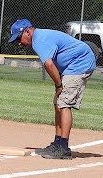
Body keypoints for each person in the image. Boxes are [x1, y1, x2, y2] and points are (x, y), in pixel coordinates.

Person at [9, 19, 96, 160]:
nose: (19, 43)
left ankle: (63, 147)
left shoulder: (39, 40)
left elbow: (49, 65)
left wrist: (58, 85)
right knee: (58, 103)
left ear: (27, 31)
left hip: (79, 63)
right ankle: (57, 143)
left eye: (19, 38)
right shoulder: (39, 38)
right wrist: (59, 83)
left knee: (64, 104)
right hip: (70, 66)